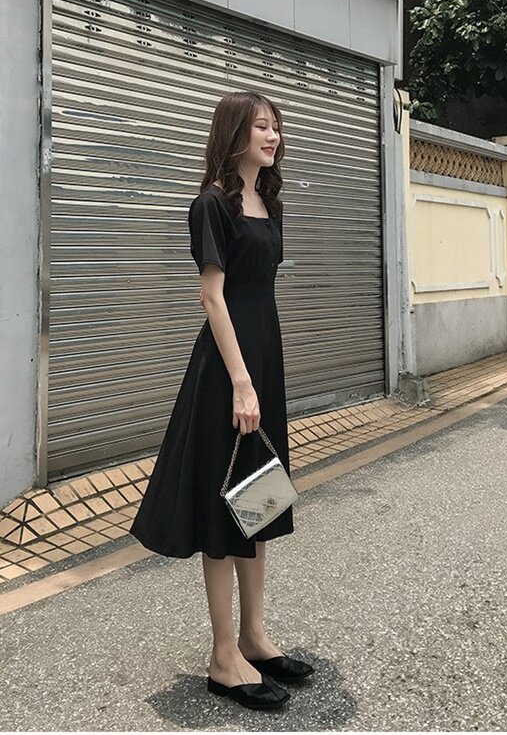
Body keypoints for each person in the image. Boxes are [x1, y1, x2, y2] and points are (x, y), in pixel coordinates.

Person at [129, 90, 314, 711]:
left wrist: (259, 375)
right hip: (228, 371)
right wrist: (240, 380)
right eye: (262, 125)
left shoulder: (271, 203)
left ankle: (256, 637)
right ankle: (223, 655)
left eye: (276, 126)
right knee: (223, 511)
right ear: (235, 133)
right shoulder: (211, 204)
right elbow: (213, 296)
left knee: (259, 501)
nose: (273, 135)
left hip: (264, 359)